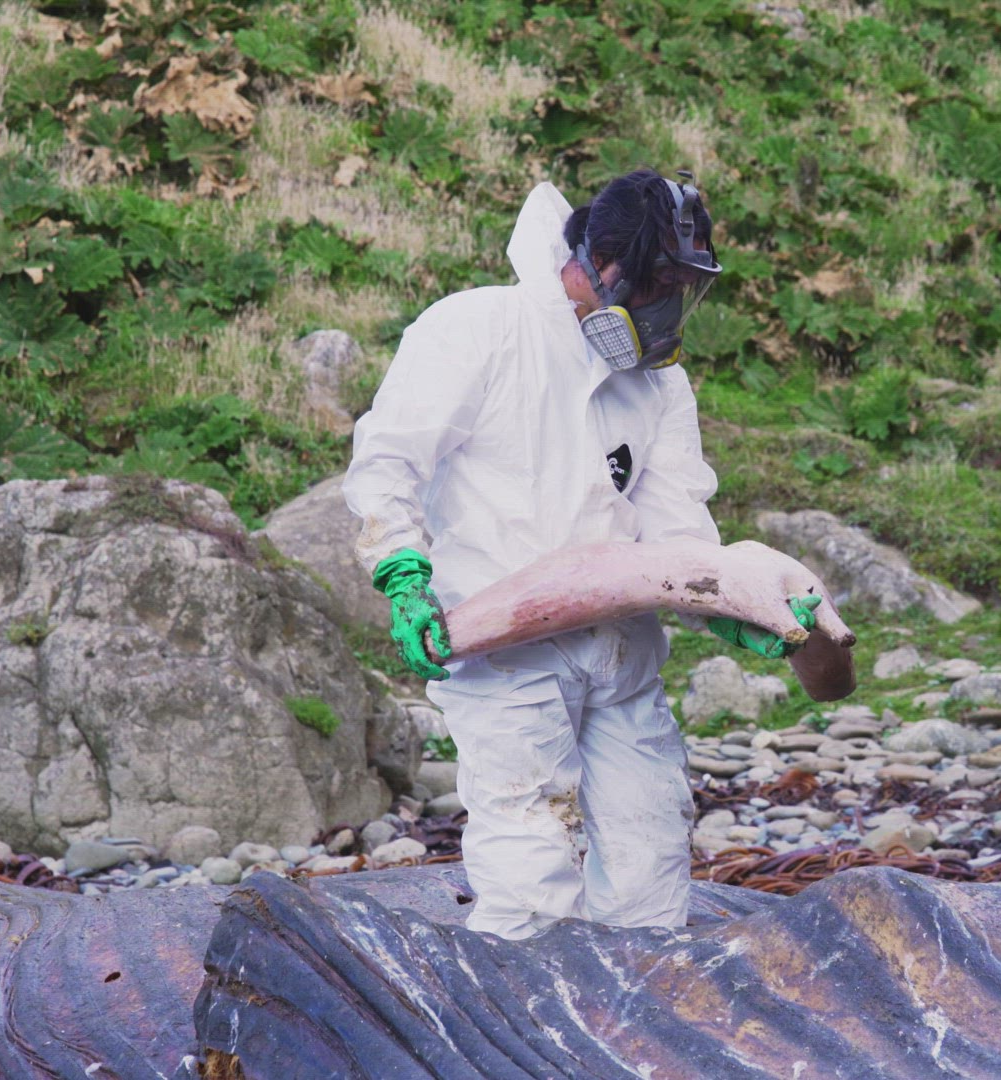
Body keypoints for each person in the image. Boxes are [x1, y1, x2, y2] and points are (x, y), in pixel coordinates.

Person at [344, 169, 814, 939]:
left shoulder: (660, 389)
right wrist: (402, 568)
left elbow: (676, 526)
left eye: (682, 288)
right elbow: (390, 458)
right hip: (508, 660)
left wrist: (730, 608)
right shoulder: (479, 328)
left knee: (651, 865)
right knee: (533, 876)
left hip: (622, 657)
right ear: (604, 262)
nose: (668, 306)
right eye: (659, 283)